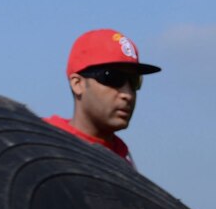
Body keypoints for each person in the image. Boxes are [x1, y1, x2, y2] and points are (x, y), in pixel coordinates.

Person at [46, 29, 160, 164]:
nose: (127, 94)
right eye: (112, 78)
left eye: (134, 81)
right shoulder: (42, 142)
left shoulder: (124, 160)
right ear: (78, 84)